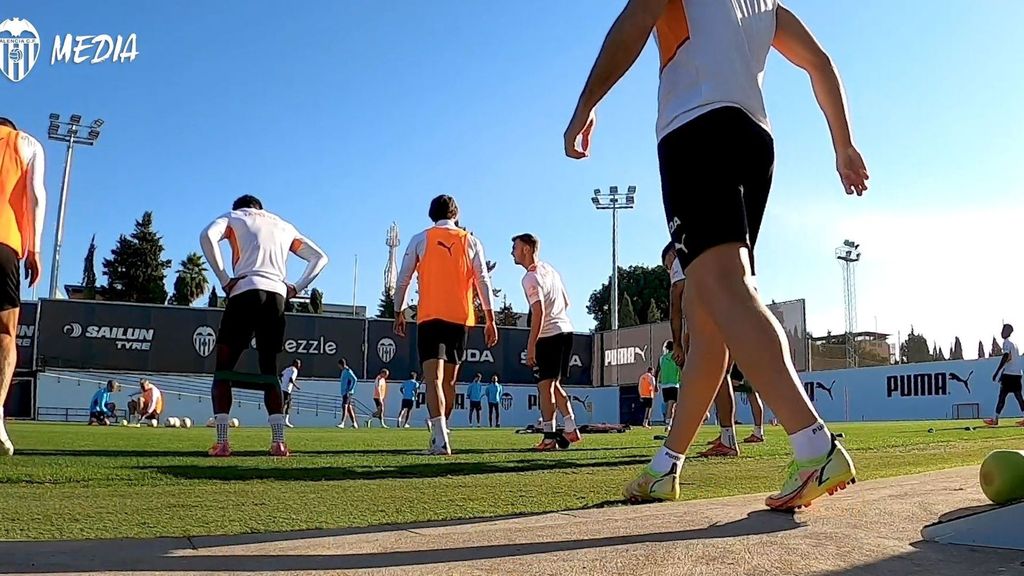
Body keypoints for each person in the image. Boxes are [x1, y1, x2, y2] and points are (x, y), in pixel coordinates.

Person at [564, 0, 867, 510]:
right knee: (708, 320)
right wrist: (844, 144)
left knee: (727, 288)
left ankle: (814, 445)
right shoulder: (765, 2)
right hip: (754, 139)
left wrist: (585, 106)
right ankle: (666, 466)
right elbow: (819, 62)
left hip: (696, 129)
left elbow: (635, 20)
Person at [199, 194, 328, 457]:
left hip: (244, 291)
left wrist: (224, 279)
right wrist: (296, 287)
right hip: (276, 297)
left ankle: (222, 443)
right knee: (270, 371)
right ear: (261, 208)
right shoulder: (284, 225)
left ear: (240, 207)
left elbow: (207, 236)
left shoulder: (234, 216)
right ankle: (278, 443)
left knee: (223, 369)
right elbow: (320, 257)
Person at [393, 194, 498, 455]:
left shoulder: (420, 239)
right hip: (460, 318)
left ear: (431, 214)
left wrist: (398, 312)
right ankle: (441, 435)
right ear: (456, 214)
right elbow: (483, 280)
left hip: (430, 317)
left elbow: (403, 278)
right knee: (449, 382)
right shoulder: (471, 241)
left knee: (434, 380)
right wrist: (490, 318)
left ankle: (439, 439)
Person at [0, 117, 46, 456]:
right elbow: (36, 196)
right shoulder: (26, 143)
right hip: (5, 242)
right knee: (5, 333)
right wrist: (35, 249)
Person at [512, 233, 581, 449]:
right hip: (566, 330)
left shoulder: (530, 278)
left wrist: (531, 344)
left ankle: (549, 437)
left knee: (545, 387)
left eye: (515, 247)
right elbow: (566, 302)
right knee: (553, 383)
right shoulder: (550, 270)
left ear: (526, 249)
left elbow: (539, 311)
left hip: (549, 335)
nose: (512, 252)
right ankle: (570, 427)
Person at [986, 324, 1024, 427]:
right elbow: (1010, 360)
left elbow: (1006, 357)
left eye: (1003, 330)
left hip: (1009, 375)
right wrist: (1002, 373)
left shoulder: (1006, 342)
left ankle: (995, 419)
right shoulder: (1014, 344)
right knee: (1019, 397)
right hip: (1017, 374)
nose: (1001, 333)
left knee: (1002, 396)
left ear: (1008, 332)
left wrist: (997, 372)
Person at [732, 364, 767, 442]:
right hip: (752, 362)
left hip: (740, 361)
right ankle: (758, 433)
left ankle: (727, 434)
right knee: (752, 392)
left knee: (728, 387)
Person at [655, 340, 680, 433]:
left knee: (670, 405)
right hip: (674, 384)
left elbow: (657, 371)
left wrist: (656, 384)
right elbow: (680, 369)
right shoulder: (676, 356)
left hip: (664, 385)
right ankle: (668, 424)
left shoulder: (662, 358)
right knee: (671, 405)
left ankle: (669, 422)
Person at [279, 359, 301, 428]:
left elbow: (280, 375)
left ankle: (283, 420)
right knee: (287, 405)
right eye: (298, 364)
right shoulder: (294, 370)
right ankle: (284, 421)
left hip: (283, 388)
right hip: (287, 390)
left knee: (286, 404)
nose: (299, 365)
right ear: (295, 364)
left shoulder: (287, 369)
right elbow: (291, 379)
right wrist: (296, 386)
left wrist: (282, 383)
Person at [337, 358, 359, 428]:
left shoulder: (347, 371)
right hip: (344, 392)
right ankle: (354, 423)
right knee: (349, 407)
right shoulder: (344, 371)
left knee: (344, 406)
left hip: (347, 392)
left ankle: (342, 423)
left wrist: (351, 389)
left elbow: (355, 379)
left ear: (340, 365)